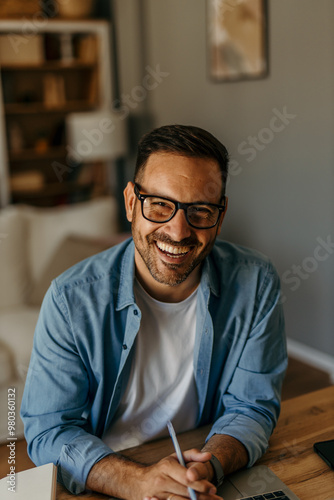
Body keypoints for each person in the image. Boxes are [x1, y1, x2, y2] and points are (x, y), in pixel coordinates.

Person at [21, 124, 287, 500]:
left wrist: (207, 466)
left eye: (199, 210)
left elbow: (253, 406)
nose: (178, 231)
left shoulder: (256, 283)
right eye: (160, 204)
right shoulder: (69, 300)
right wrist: (137, 482)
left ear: (221, 214)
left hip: (201, 474)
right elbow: (48, 432)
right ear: (131, 202)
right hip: (108, 476)